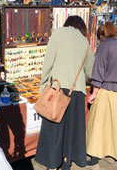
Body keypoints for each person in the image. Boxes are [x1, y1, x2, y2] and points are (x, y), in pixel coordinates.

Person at [35, 16, 94, 170]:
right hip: (77, 91)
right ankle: (66, 161)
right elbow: (90, 72)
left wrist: (43, 88)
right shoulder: (85, 42)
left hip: (57, 89)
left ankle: (52, 164)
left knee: (53, 127)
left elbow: (48, 63)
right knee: (72, 129)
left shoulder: (58, 33)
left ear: (67, 23)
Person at [86, 22, 117, 168]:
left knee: (98, 124)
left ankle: (94, 156)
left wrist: (94, 92)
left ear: (102, 35)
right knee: (116, 123)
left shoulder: (106, 45)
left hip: (107, 89)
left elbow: (99, 70)